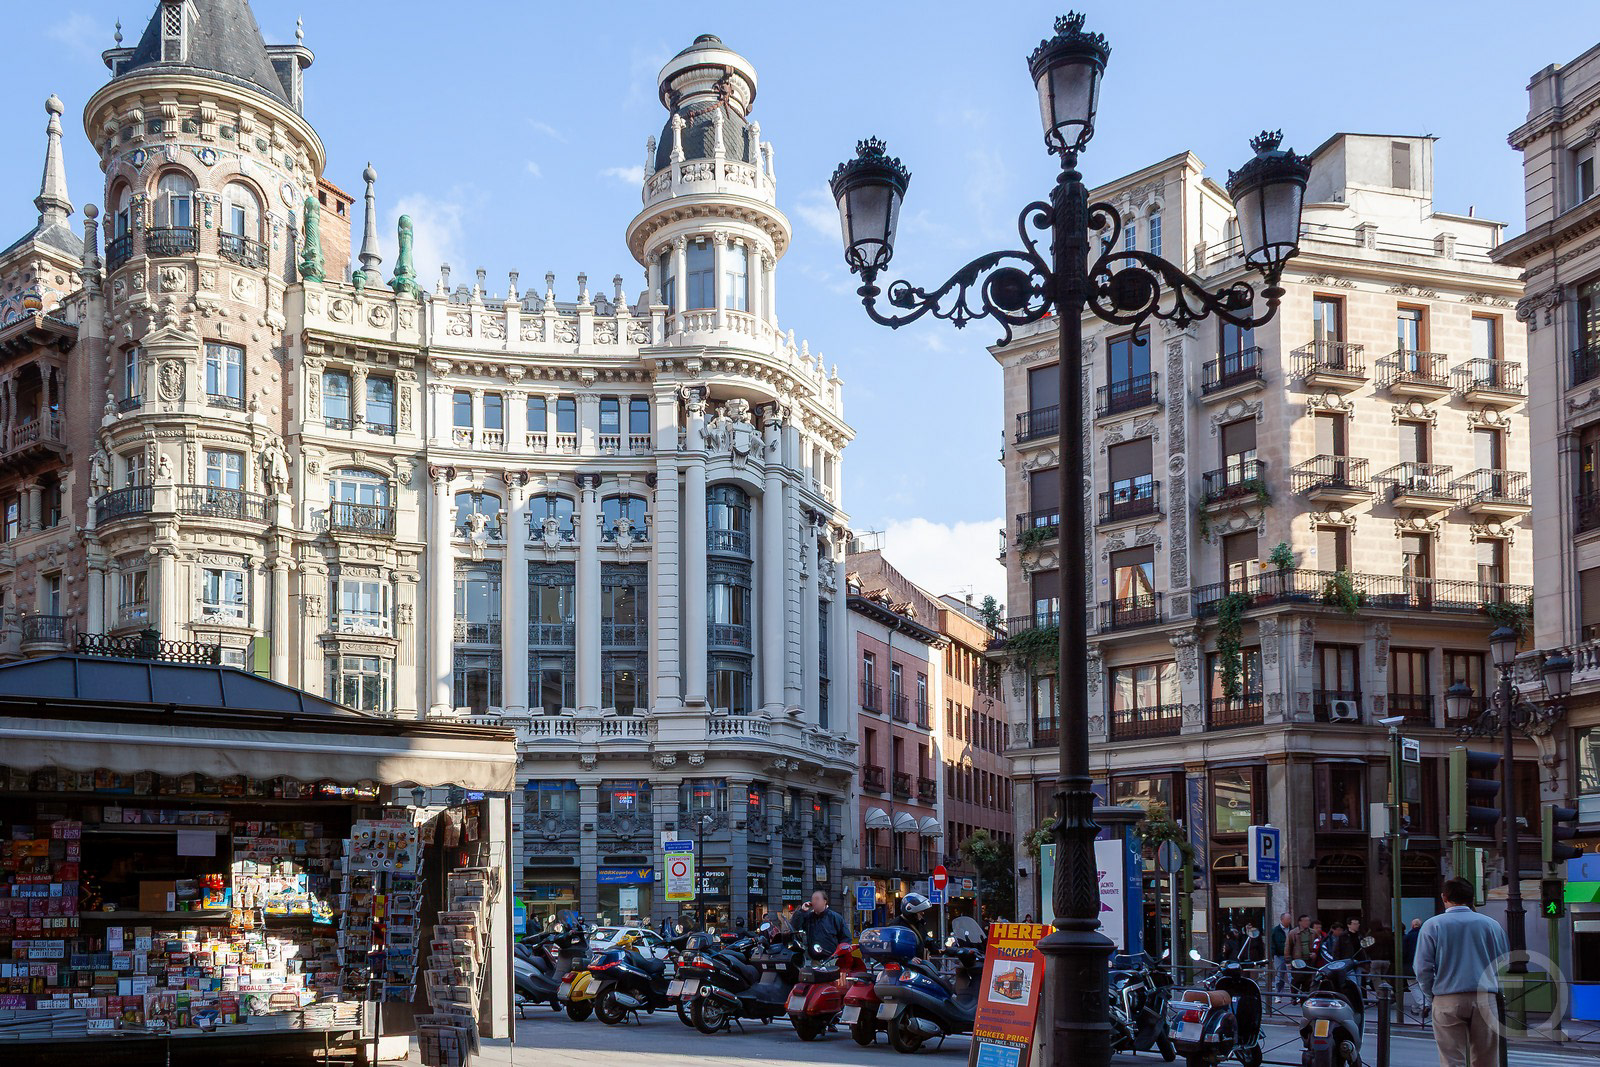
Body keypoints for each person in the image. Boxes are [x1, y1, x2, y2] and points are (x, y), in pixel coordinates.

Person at [1415, 878, 1507, 1067]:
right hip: (1485, 997)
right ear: (1472, 898)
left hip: (1447, 996)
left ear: (1444, 897)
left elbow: (1422, 968)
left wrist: (1431, 993)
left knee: (1452, 1060)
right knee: (1487, 1059)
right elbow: (1502, 960)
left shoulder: (1433, 925)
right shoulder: (1491, 925)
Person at [797, 889, 850, 959]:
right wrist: (802, 912)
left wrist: (840, 955)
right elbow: (795, 927)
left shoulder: (835, 918)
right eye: (812, 899)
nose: (814, 901)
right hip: (814, 960)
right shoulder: (809, 917)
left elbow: (846, 938)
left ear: (824, 901)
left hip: (832, 960)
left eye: (817, 899)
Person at [1285, 915, 1316, 992]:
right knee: (1297, 979)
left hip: (1309, 960)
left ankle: (1303, 998)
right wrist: (1288, 961)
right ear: (1300, 922)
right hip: (1297, 960)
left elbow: (1318, 944)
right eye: (1305, 921)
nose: (1307, 923)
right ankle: (1294, 997)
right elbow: (1288, 946)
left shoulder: (1313, 932)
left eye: (1308, 921)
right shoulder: (1293, 933)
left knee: (1308, 981)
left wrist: (1315, 953)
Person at [1270, 912, 1293, 1000]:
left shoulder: (1292, 929)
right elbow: (1272, 943)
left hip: (1290, 955)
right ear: (1282, 920)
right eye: (1288, 919)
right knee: (1280, 975)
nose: (1289, 921)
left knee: (1292, 976)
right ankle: (1278, 995)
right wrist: (1273, 955)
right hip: (1279, 955)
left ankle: (1294, 996)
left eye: (1290, 919)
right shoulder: (1275, 930)